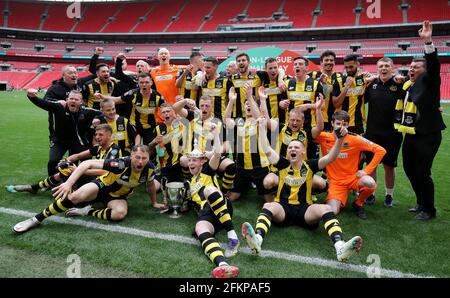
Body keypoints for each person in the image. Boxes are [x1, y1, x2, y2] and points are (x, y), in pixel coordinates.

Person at [242, 116, 363, 262]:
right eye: (290, 147)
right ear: (287, 152)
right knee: (268, 205)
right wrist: (261, 127)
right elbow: (266, 149)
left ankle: (340, 247)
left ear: (303, 151)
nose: (292, 149)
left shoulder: (310, 165)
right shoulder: (282, 164)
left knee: (326, 209)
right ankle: (257, 239)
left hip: (305, 210)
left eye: (296, 147)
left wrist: (340, 139)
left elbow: (331, 157)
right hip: (284, 209)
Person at [13, 145, 165, 232]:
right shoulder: (120, 164)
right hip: (101, 187)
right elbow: (87, 164)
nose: (140, 161)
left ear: (148, 159)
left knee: (119, 214)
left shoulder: (149, 169)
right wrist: (69, 183)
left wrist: (154, 202)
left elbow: (151, 185)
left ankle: (87, 211)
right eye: (137, 157)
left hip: (118, 197)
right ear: (131, 156)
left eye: (144, 158)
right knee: (74, 197)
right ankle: (35, 219)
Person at [395, 21, 446, 220]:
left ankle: (429, 209)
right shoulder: (409, 84)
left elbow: (433, 66)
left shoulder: (429, 81)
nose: (411, 69)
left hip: (428, 135)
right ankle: (420, 202)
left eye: (416, 67)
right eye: (410, 67)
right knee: (410, 170)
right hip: (411, 134)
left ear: (424, 70)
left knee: (423, 172)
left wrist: (428, 42)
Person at [185, 126, 240, 278]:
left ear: (202, 161)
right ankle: (223, 265)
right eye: (189, 160)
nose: (191, 163)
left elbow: (217, 153)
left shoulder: (207, 170)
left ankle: (232, 236)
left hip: (221, 203)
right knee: (199, 228)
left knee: (209, 190)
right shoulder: (189, 183)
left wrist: (216, 135)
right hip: (207, 213)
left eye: (194, 160)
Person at [7, 124, 122, 194]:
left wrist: (80, 170)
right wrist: (66, 160)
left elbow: (106, 172)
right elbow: (78, 156)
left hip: (106, 183)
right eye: (96, 134)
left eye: (101, 135)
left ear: (109, 135)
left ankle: (38, 188)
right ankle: (35, 188)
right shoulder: (98, 148)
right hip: (96, 179)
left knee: (71, 178)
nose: (97, 137)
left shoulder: (114, 151)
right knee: (66, 168)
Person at [315, 111, 386, 220]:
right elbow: (309, 134)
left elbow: (381, 150)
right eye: (338, 124)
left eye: (344, 124)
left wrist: (366, 170)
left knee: (370, 183)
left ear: (348, 125)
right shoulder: (324, 137)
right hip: (336, 182)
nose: (341, 127)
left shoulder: (355, 139)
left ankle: (358, 203)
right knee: (332, 212)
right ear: (332, 123)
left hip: (353, 178)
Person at [26, 89, 102, 176]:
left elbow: (102, 114)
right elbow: (44, 104)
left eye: (76, 99)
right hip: (59, 140)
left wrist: (98, 118)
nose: (73, 101)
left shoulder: (86, 111)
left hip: (77, 141)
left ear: (81, 102)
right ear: (67, 100)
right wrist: (32, 97)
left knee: (86, 158)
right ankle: (51, 180)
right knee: (53, 160)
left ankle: (80, 179)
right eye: (71, 98)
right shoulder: (59, 107)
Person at [363, 57, 405, 207]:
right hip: (372, 133)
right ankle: (371, 193)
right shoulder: (372, 84)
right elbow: (359, 100)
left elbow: (414, 88)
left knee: (389, 166)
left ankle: (389, 195)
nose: (384, 68)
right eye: (381, 66)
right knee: (372, 164)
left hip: (392, 133)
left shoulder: (400, 85)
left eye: (387, 66)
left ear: (392, 68)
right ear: (377, 69)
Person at [174, 95, 236, 193]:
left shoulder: (217, 121)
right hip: (196, 157)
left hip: (212, 157)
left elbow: (227, 143)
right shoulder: (192, 116)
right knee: (183, 160)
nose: (204, 108)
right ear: (198, 105)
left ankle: (224, 192)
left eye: (207, 106)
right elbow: (175, 108)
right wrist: (185, 101)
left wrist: (213, 153)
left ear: (212, 107)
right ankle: (189, 183)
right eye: (202, 106)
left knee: (231, 166)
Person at [225, 85, 272, 202]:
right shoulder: (239, 121)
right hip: (241, 167)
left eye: (251, 104)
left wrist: (250, 97)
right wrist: (231, 101)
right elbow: (226, 119)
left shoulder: (260, 121)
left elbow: (259, 116)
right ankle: (244, 187)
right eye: (246, 104)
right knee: (231, 197)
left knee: (269, 201)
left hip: (260, 167)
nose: (248, 105)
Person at [103, 73, 166, 146]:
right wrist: (103, 97)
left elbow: (166, 108)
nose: (144, 85)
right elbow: (117, 100)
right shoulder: (132, 93)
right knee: (133, 147)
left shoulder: (158, 96)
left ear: (151, 82)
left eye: (146, 82)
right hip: (134, 125)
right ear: (138, 83)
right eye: (141, 83)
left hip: (150, 127)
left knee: (150, 148)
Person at [332, 54, 371, 135]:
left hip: (358, 124)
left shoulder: (364, 80)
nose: (348, 70)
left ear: (357, 64)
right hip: (341, 123)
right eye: (346, 67)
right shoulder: (339, 81)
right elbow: (336, 104)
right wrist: (346, 87)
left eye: (351, 67)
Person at [149, 103, 185, 187]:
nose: (166, 114)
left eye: (168, 111)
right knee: (153, 187)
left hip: (181, 163)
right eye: (164, 112)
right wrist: (153, 142)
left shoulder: (182, 123)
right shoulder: (158, 129)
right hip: (166, 166)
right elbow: (149, 149)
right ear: (161, 115)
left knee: (184, 160)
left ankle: (187, 178)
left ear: (173, 112)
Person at [309, 50, 343, 131]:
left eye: (331, 60)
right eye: (326, 60)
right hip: (317, 117)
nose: (329, 62)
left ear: (334, 62)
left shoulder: (340, 77)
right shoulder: (313, 75)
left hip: (335, 119)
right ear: (321, 62)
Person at [198, 56, 233, 121]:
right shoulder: (201, 80)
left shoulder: (225, 80)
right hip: (205, 120)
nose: (206, 69)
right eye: (205, 67)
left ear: (216, 67)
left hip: (221, 119)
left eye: (208, 67)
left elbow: (229, 100)